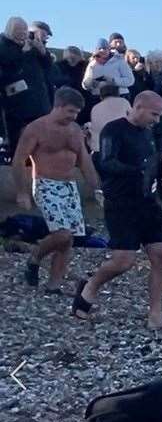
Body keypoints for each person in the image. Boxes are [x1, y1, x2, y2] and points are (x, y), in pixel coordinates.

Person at [75, 91, 162, 329]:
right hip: (121, 202)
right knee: (123, 261)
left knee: (159, 254)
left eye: (159, 116)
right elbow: (106, 162)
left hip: (148, 202)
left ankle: (156, 314)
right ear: (138, 107)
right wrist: (138, 170)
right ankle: (90, 286)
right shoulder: (113, 130)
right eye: (154, 114)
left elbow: (154, 165)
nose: (156, 120)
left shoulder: (149, 135)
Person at [12, 88, 98, 291]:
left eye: (76, 112)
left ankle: (54, 285)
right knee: (62, 234)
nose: (73, 116)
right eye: (70, 111)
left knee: (68, 241)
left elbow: (85, 161)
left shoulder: (75, 130)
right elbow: (19, 159)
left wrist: (97, 189)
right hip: (45, 183)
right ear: (57, 107)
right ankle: (35, 257)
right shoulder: (36, 128)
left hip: (69, 186)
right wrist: (22, 191)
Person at [1, 17, 53, 164]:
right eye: (19, 30)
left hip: (40, 103)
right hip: (16, 106)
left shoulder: (31, 44)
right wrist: (25, 52)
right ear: (10, 30)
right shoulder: (3, 44)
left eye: (25, 30)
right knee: (20, 145)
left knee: (42, 142)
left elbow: (49, 67)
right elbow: (9, 64)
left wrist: (42, 51)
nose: (23, 34)